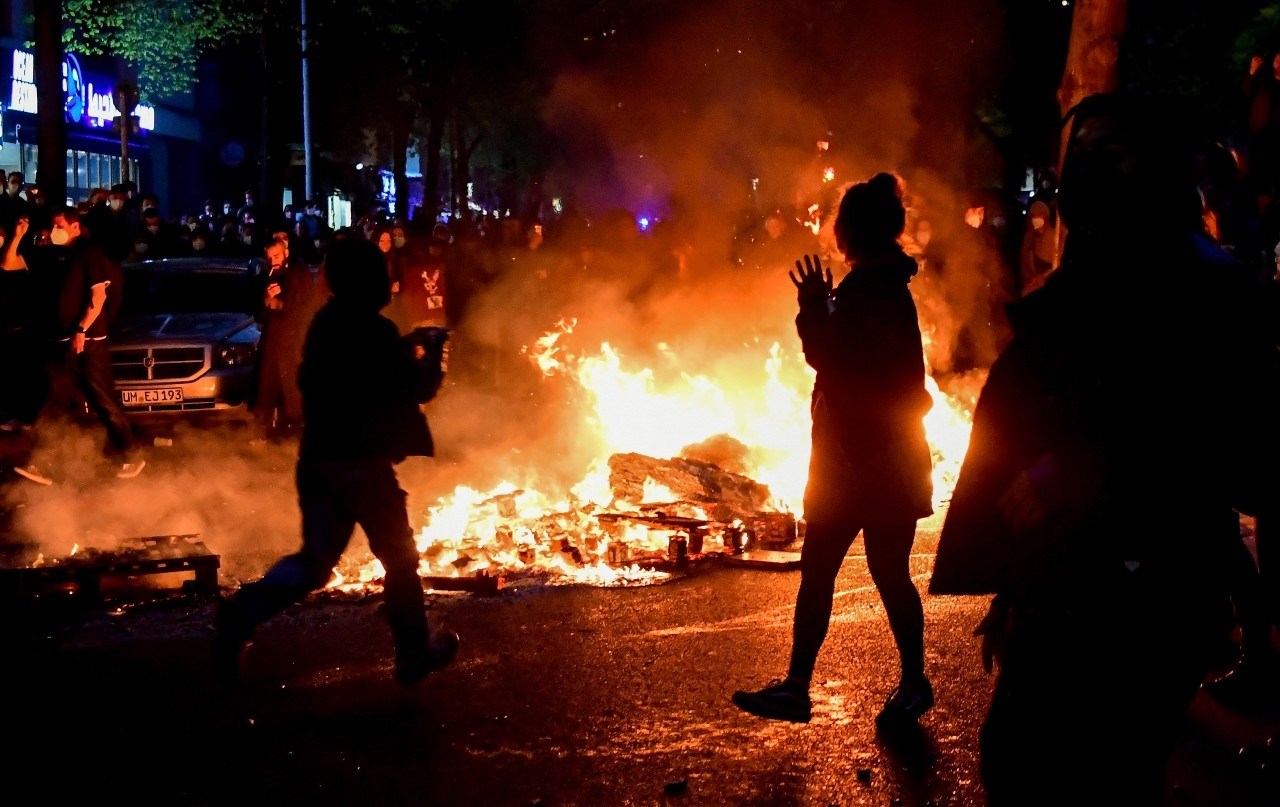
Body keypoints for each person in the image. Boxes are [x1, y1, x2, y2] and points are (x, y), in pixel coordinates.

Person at [928, 92, 1280, 805]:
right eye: (1080, 153)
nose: (1090, 167)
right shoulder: (1084, 281)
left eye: (1113, 151)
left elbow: (1225, 436)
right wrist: (1013, 587)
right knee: (1016, 759)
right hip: (1058, 587)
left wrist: (1088, 470)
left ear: (1156, 166)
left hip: (1152, 592)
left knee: (1103, 772)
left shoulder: (1208, 286)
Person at [732, 172, 935, 726]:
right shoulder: (880, 286)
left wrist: (812, 308)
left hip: (864, 461)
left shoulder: (873, 293)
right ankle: (811, 684)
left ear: (852, 231)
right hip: (878, 458)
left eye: (840, 222)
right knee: (862, 572)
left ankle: (899, 682)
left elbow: (834, 363)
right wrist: (822, 306)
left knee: (861, 572)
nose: (834, 231)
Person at [212, 238, 458, 686]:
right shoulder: (374, 329)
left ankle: (241, 615)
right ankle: (413, 654)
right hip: (363, 464)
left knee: (315, 561)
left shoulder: (325, 324)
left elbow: (338, 375)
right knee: (400, 560)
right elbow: (411, 389)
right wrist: (432, 357)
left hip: (321, 458)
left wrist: (406, 349)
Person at [15, 209, 143, 480]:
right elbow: (8, 264)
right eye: (52, 225)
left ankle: (131, 454)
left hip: (89, 341)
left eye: (58, 224)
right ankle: (39, 463)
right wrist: (17, 237)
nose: (54, 229)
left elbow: (98, 296)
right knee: (56, 399)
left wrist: (82, 329)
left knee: (102, 399)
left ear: (75, 226)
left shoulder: (89, 253)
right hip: (65, 341)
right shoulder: (54, 255)